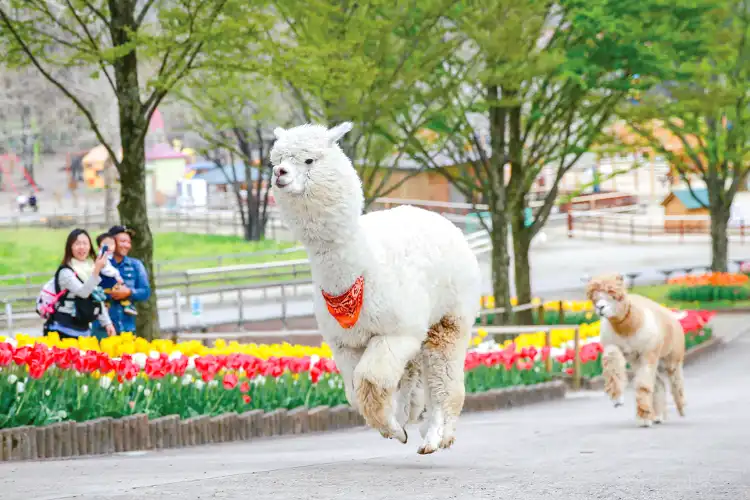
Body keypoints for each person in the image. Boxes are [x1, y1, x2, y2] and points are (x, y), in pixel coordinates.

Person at [44, 228, 117, 339]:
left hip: (83, 330)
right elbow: (84, 292)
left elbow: (96, 296)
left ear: (90, 246)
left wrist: (107, 323)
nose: (82, 247)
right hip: (62, 329)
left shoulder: (90, 268)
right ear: (70, 247)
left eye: (85, 243)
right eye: (77, 243)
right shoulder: (66, 272)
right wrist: (97, 270)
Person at [92, 225, 151, 335]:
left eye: (128, 242)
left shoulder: (135, 265)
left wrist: (129, 292)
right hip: (102, 328)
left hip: (127, 327)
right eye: (122, 241)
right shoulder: (99, 264)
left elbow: (145, 291)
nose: (126, 245)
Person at [95, 232, 138, 316]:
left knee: (119, 292)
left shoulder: (110, 257)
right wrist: (116, 273)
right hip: (106, 281)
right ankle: (107, 309)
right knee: (111, 293)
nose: (109, 246)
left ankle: (126, 305)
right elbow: (105, 270)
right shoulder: (102, 257)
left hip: (109, 281)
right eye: (106, 244)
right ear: (99, 247)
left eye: (112, 244)